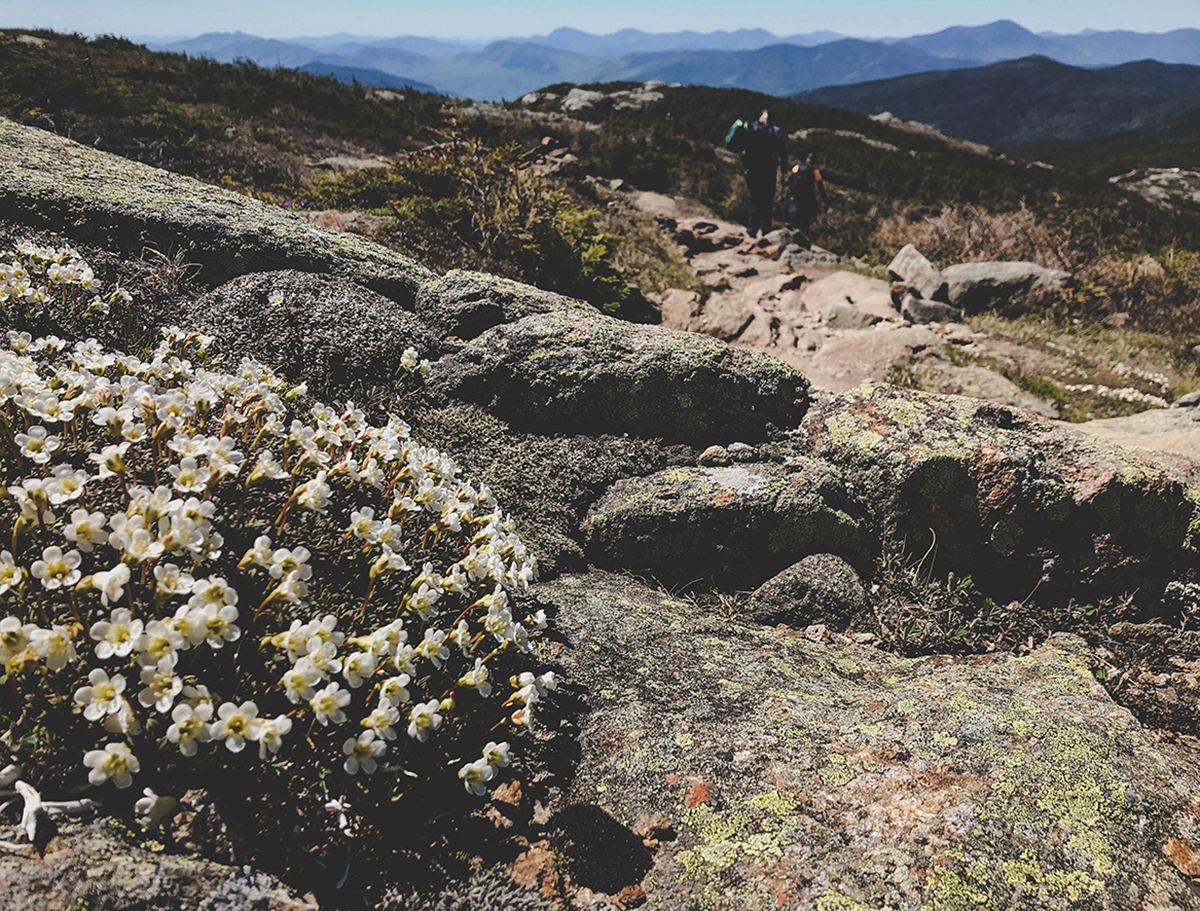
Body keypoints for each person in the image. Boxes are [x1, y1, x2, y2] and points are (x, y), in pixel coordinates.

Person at [739, 109, 786, 238]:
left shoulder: (752, 129)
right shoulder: (775, 131)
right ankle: (766, 231)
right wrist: (784, 169)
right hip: (768, 171)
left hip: (751, 171)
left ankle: (752, 231)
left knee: (756, 199)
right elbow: (783, 152)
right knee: (767, 201)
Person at [786, 152, 828, 248]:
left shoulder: (797, 166)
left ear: (806, 159)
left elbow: (790, 178)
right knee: (806, 216)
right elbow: (820, 187)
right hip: (808, 195)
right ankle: (802, 236)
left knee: (795, 211)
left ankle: (791, 228)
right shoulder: (815, 172)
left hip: (796, 193)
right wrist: (824, 199)